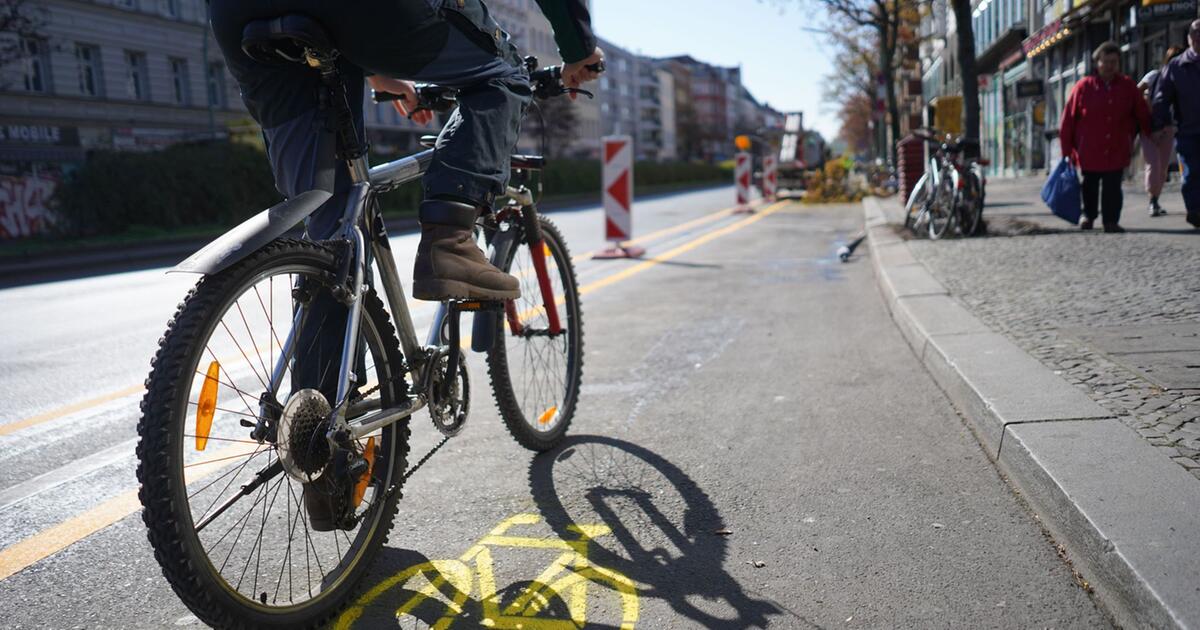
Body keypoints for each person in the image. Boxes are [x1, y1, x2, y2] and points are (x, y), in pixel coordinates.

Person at [208, 0, 603, 530]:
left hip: (241, 16)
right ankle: (451, 237)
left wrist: (376, 70)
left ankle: (323, 457)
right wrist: (578, 49)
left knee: (330, 237)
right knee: (505, 76)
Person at [1060, 41, 1152, 233]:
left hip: (1117, 146)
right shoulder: (1083, 87)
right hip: (1090, 148)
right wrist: (1066, 150)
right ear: (1097, 63)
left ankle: (1111, 220)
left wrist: (1150, 132)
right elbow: (1068, 119)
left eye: (1114, 62)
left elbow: (1141, 112)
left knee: (1112, 186)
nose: (1110, 66)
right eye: (1106, 61)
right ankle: (1089, 215)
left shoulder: (1127, 86)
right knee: (1090, 185)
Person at [1152, 20, 1200, 229]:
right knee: (1192, 173)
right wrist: (1158, 124)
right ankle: (1195, 210)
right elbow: (1162, 97)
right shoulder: (1177, 66)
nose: (1199, 38)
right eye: (1196, 34)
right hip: (1188, 129)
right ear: (1189, 38)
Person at [1138, 46, 1185, 216]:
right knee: (1153, 164)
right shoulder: (1154, 75)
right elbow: (1136, 93)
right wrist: (1146, 102)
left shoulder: (1183, 80)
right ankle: (1152, 200)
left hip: (1169, 127)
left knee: (1163, 167)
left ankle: (1155, 199)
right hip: (1149, 127)